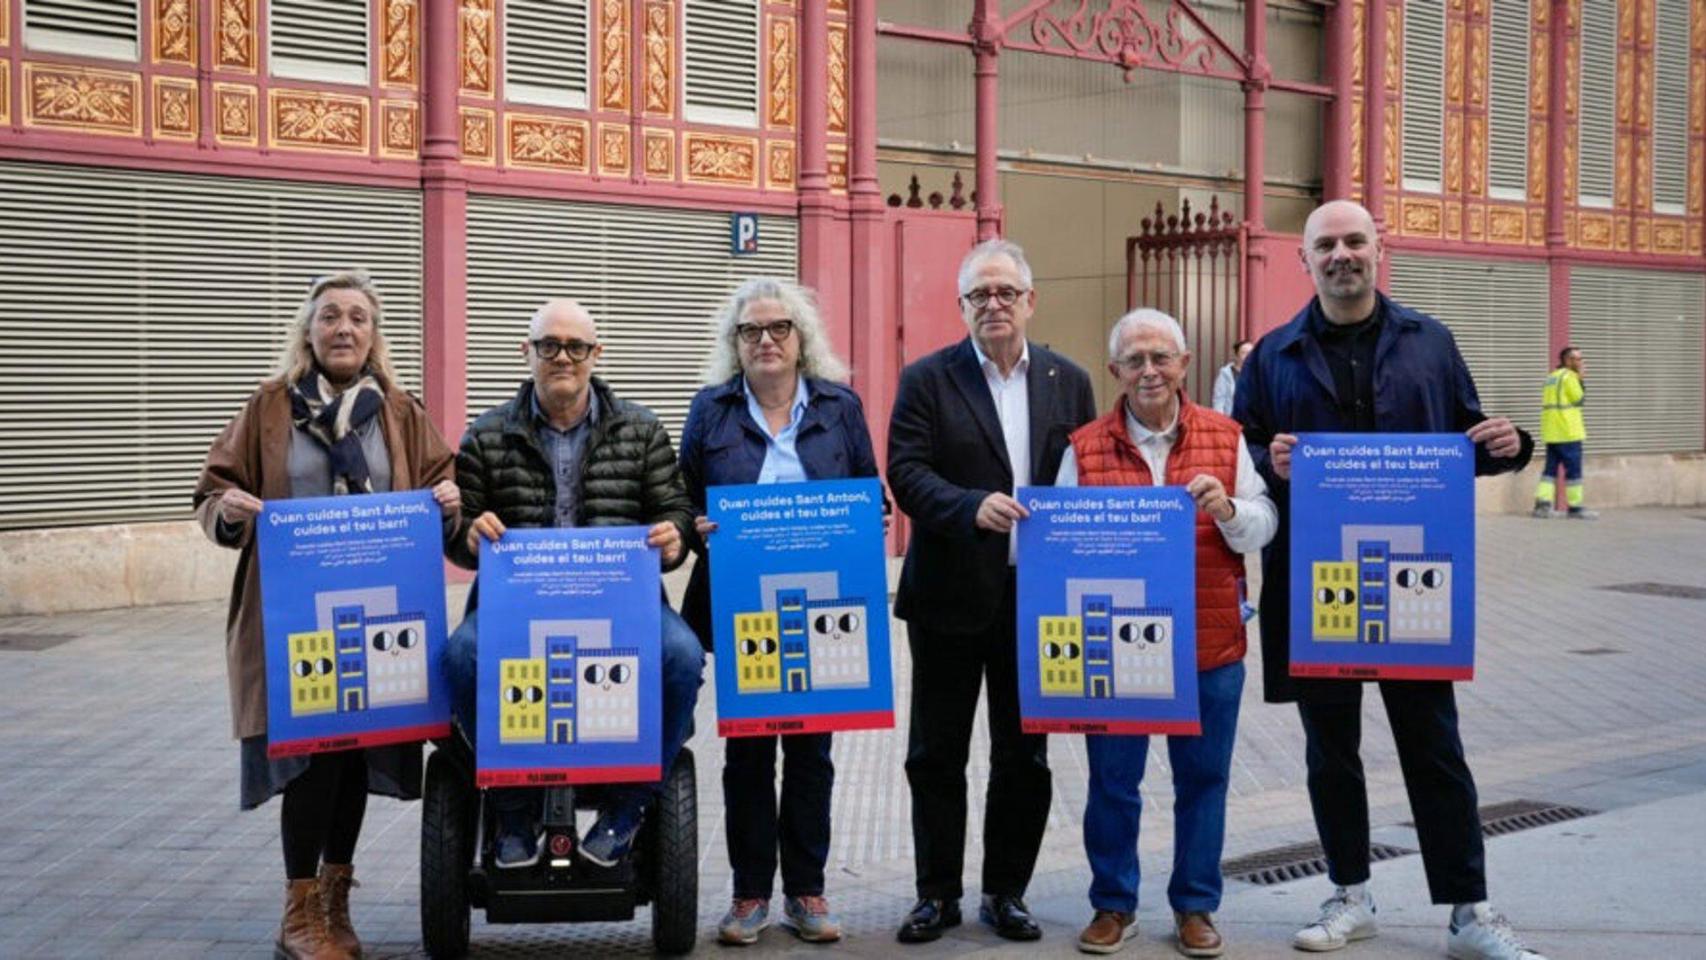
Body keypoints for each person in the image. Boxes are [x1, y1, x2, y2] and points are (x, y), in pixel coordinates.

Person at [1234, 200, 1546, 960]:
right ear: (1304, 261)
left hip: (1414, 585)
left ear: (1379, 250)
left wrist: (1511, 443)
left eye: (1354, 241)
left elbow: (1468, 439)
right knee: (1330, 750)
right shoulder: (1272, 356)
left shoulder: (1429, 342)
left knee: (1434, 747)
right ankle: (1350, 894)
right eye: (1325, 245)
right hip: (1317, 587)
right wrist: (1265, 467)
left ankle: (1469, 911)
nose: (1341, 255)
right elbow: (1237, 460)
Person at [194, 270, 462, 960]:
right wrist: (228, 513)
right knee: (312, 757)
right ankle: (298, 909)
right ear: (307, 332)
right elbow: (215, 490)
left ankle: (336, 905)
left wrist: (449, 499)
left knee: (354, 755)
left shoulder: (400, 412)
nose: (344, 328)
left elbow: (442, 480)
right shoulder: (267, 408)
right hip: (294, 619)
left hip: (378, 616)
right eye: (330, 317)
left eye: (358, 318)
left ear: (375, 337)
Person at [443, 298, 703, 871]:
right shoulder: (486, 435)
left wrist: (674, 537)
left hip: (624, 608)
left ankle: (629, 808)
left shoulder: (641, 428)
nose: (563, 357)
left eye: (576, 347)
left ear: (596, 355)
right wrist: (467, 534)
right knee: (460, 658)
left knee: (682, 657)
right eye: (549, 346)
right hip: (516, 612)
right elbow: (458, 526)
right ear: (526, 353)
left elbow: (676, 509)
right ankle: (513, 808)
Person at [887, 238, 1098, 943]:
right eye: (980, 294)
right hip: (948, 595)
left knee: (1024, 756)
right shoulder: (927, 379)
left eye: (1007, 291)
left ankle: (1006, 891)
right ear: (962, 308)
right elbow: (907, 473)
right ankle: (935, 895)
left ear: (1031, 301)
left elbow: (1085, 477)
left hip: (1034, 601)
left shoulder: (1070, 381)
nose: (994, 304)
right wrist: (969, 506)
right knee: (935, 755)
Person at [1056, 309, 1276, 957]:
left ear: (1184, 364)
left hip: (1207, 644)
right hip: (1116, 649)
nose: (1148, 370)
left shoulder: (1227, 437)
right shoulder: (1083, 447)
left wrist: (1230, 510)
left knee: (1203, 781)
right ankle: (1112, 903)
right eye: (1135, 360)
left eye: (1161, 357)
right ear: (1115, 371)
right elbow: (1062, 547)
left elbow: (1265, 523)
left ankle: (1195, 906)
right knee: (1113, 782)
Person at [678, 278, 882, 946]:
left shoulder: (841, 407)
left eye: (779, 329)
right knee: (746, 755)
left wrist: (869, 518)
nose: (765, 341)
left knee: (812, 751)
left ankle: (807, 891)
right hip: (740, 605)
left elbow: (867, 490)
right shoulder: (709, 412)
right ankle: (748, 896)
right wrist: (694, 526)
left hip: (822, 601)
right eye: (751, 331)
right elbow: (679, 502)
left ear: (802, 340)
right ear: (734, 345)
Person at [1532, 346, 1594, 519]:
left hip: (1552, 432)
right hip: (1568, 432)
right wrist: (1581, 379)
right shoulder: (1570, 377)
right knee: (1573, 471)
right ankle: (1575, 508)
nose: (1581, 362)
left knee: (1549, 471)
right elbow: (1578, 399)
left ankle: (1542, 505)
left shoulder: (1551, 377)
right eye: (1578, 359)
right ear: (1567, 360)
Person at [1210, 339, 1254, 415]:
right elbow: (1219, 400)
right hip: (1232, 420)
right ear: (1236, 355)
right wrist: (1220, 421)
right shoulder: (1226, 374)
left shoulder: (1257, 373)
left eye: (1251, 353)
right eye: (1244, 353)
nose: (1248, 356)